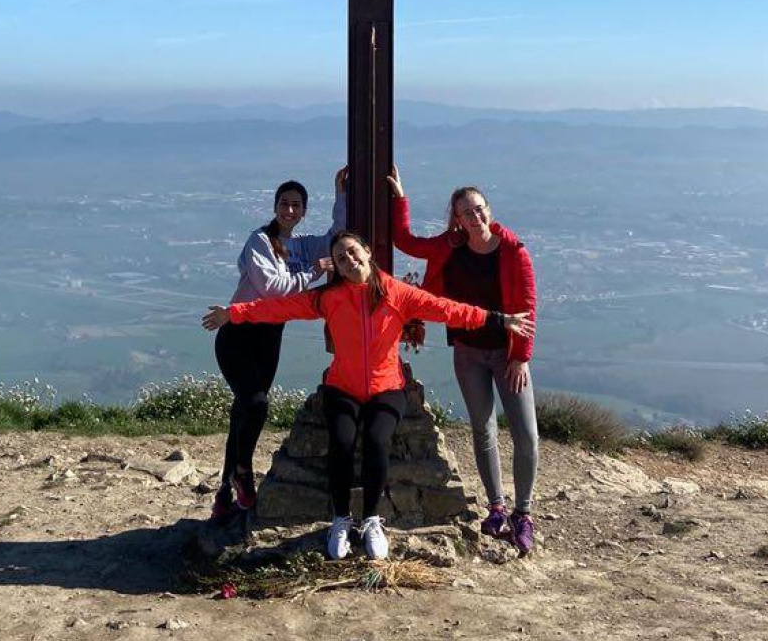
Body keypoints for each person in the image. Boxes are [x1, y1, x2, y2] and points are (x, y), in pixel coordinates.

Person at [202, 229, 535, 562]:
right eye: (340, 258)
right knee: (342, 442)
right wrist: (234, 313)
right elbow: (281, 307)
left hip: (387, 388)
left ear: (367, 251)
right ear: (336, 267)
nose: (348, 260)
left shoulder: (397, 293)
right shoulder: (329, 297)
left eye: (352, 251)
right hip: (342, 388)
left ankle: (372, 520)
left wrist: (499, 320)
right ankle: (341, 520)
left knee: (377, 441)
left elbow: (448, 309)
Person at [388, 165, 540, 556]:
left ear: (489, 209)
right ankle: (496, 508)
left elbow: (527, 308)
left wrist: (520, 358)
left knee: (526, 434)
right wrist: (400, 197)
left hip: (507, 356)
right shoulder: (449, 247)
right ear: (456, 218)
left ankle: (524, 514)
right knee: (483, 429)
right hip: (468, 351)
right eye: (466, 212)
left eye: (479, 209)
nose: (475, 217)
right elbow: (404, 241)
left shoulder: (514, 252)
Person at [209, 169, 347, 522]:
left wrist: (340, 194)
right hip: (238, 334)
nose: (289, 210)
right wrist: (312, 273)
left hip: (270, 336)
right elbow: (272, 289)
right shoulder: (259, 241)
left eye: (296, 205)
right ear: (275, 207)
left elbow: (337, 236)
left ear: (303, 212)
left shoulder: (302, 244)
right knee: (256, 405)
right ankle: (242, 472)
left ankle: (225, 491)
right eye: (284, 204)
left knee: (243, 411)